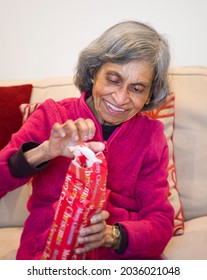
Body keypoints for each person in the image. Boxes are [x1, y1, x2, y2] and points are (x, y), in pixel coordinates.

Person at [0, 20, 174, 260]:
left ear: (149, 95)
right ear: (94, 73)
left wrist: (114, 235)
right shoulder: (53, 116)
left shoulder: (151, 136)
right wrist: (44, 152)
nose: (121, 98)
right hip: (48, 255)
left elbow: (161, 222)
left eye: (136, 88)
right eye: (113, 79)